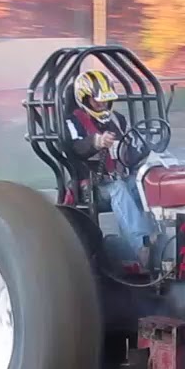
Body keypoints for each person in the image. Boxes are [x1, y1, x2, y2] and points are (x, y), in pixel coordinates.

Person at [65, 69, 157, 270]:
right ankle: (140, 247)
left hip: (119, 177)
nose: (102, 105)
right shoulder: (73, 121)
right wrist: (97, 142)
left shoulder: (117, 120)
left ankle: (158, 238)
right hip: (92, 185)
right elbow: (74, 147)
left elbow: (130, 155)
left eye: (105, 101)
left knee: (145, 183)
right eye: (97, 101)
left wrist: (143, 149)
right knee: (118, 188)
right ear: (85, 99)